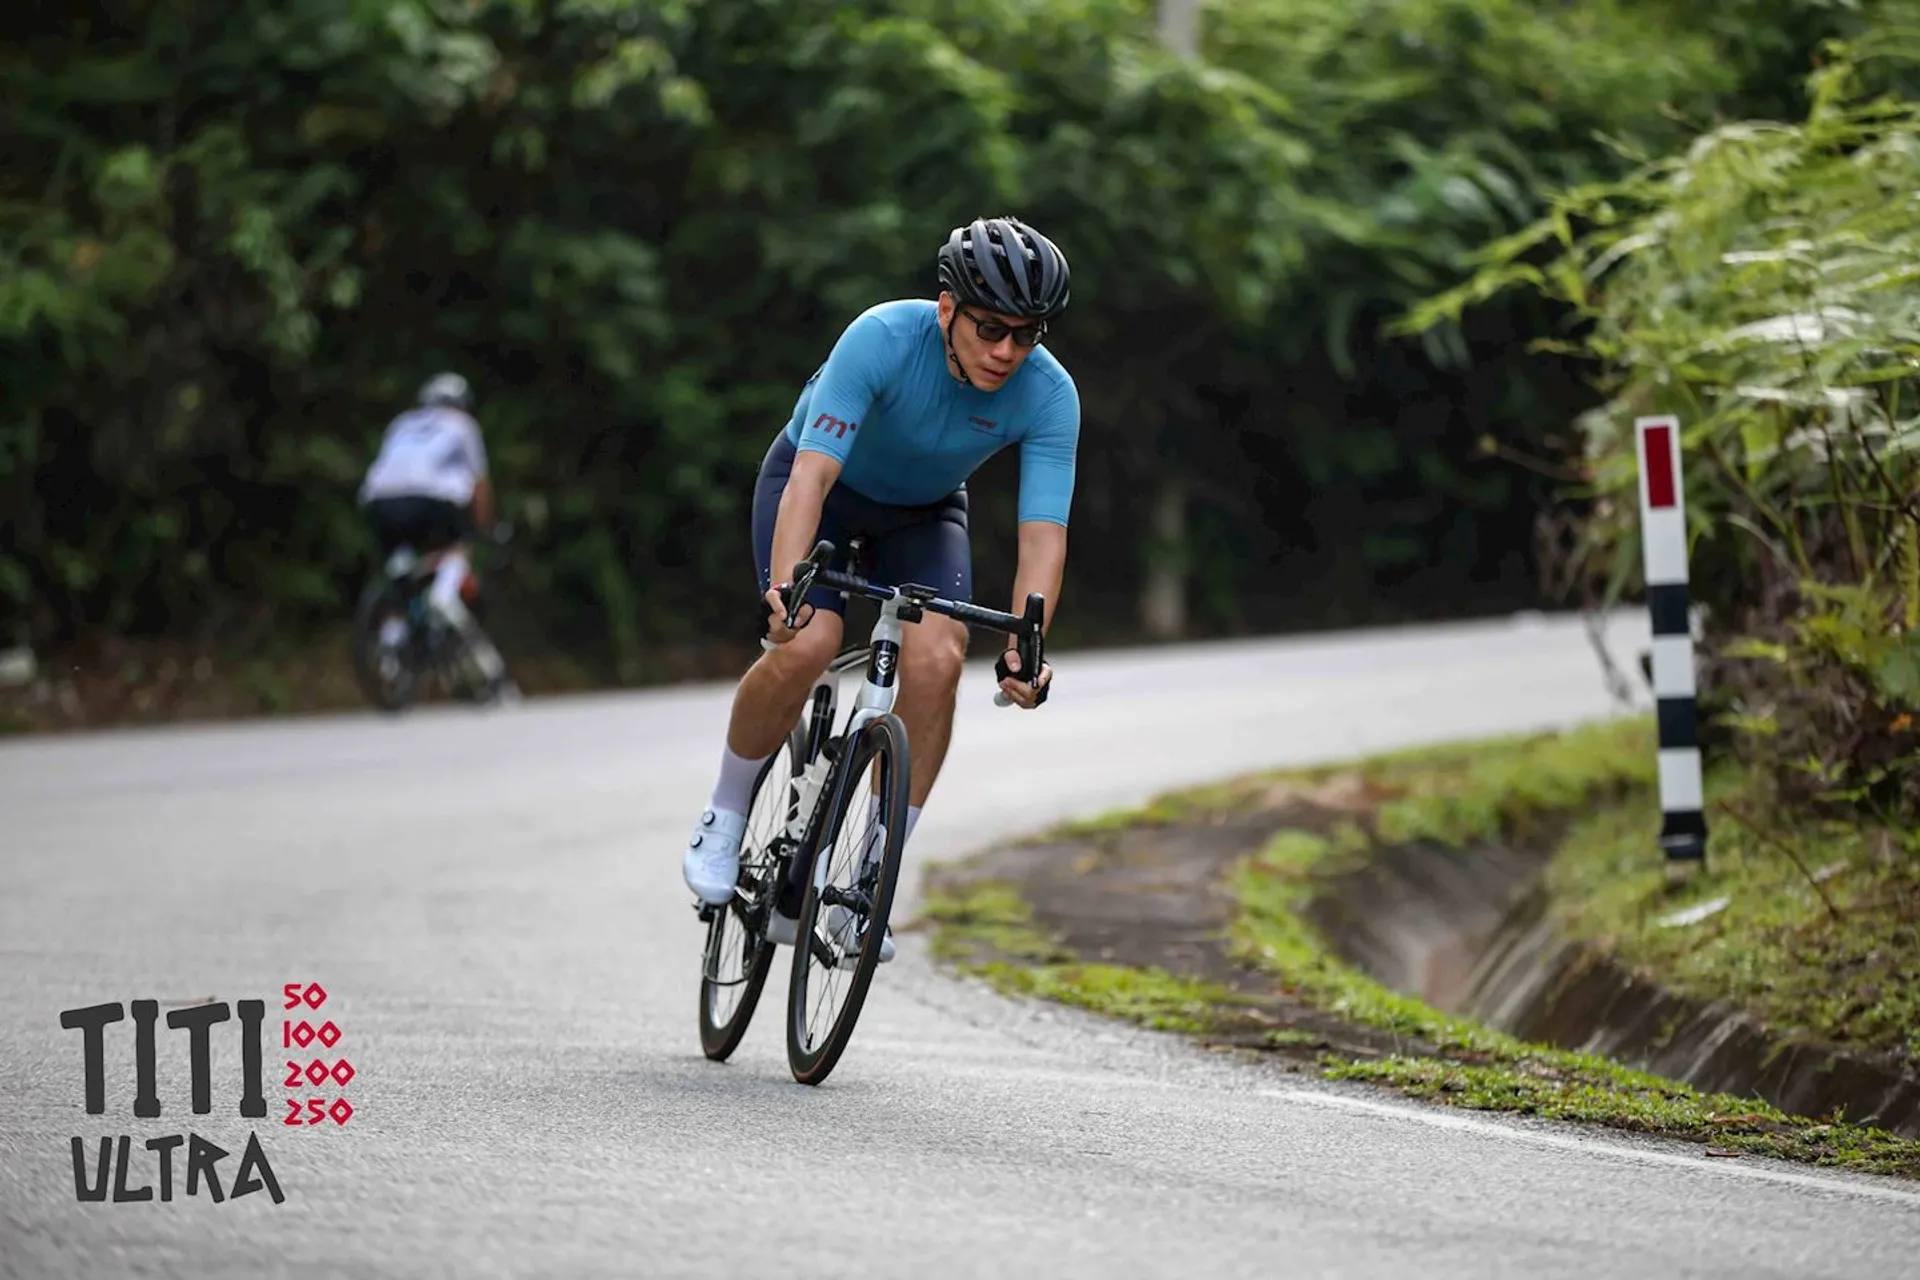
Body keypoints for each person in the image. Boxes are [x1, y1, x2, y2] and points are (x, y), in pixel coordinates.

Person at [681, 215, 1080, 962]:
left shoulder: (1051, 395)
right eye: (989, 328)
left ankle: (868, 878)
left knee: (937, 659)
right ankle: (725, 814)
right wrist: (785, 591)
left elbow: (1042, 537)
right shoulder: (882, 338)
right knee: (813, 642)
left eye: (1026, 335)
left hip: (924, 515)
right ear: (946, 309)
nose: (1005, 352)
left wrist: (1028, 648)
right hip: (819, 487)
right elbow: (812, 475)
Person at [357, 372, 512, 700]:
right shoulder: (463, 425)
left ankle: (391, 636)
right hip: (432, 501)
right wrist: (486, 528)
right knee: (459, 546)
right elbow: (479, 486)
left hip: (380, 502)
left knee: (400, 573)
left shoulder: (402, 423)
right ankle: (444, 596)